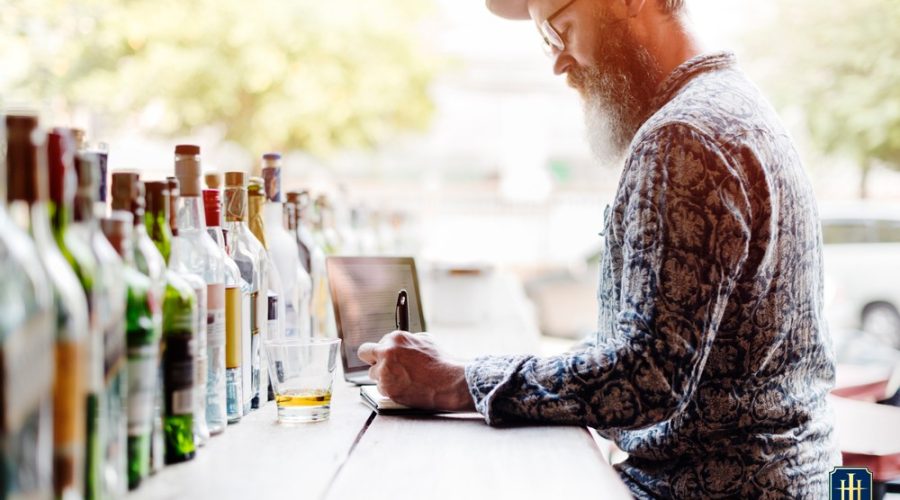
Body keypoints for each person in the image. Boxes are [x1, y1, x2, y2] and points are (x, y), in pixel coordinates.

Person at [358, 0, 840, 497]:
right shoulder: (731, 104)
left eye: (562, 29)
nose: (557, 61)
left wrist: (456, 381)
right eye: (547, 40)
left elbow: (646, 374)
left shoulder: (682, 137)